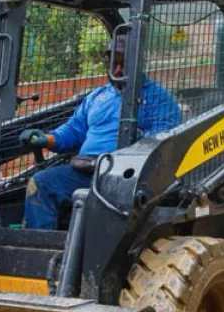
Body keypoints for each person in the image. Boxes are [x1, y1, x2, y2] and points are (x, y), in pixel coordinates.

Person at [18, 34, 182, 230]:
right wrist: (46, 139)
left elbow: (163, 141)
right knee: (41, 184)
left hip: (128, 178)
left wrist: (130, 146)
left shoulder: (159, 98)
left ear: (139, 63)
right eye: (114, 64)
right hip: (86, 172)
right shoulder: (97, 97)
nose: (118, 70)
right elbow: (74, 130)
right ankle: (41, 251)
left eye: (124, 64)